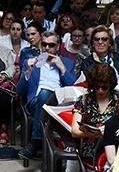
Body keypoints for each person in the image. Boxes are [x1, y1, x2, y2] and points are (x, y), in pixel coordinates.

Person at [18, 31, 77, 160]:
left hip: (61, 104)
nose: (47, 48)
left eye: (51, 45)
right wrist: (28, 72)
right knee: (45, 93)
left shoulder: (67, 63)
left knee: (51, 96)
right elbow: (20, 92)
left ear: (58, 46)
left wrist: (62, 68)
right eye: (44, 44)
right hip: (37, 102)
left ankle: (36, 143)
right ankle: (37, 140)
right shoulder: (31, 63)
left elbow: (74, 89)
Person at [69, 63, 117, 161]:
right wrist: (92, 134)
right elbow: (74, 131)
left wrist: (109, 130)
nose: (100, 90)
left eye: (104, 87)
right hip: (90, 151)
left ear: (111, 85)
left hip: (115, 148)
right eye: (96, 87)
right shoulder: (84, 100)